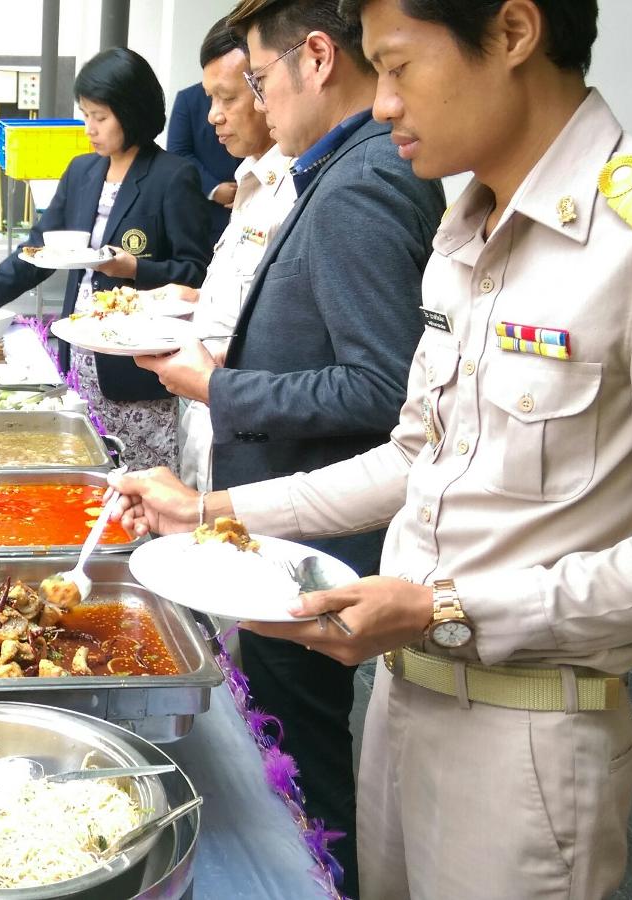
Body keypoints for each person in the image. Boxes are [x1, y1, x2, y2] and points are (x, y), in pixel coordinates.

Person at [114, 0, 632, 896]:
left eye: (398, 67)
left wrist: (444, 610)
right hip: (403, 698)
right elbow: (414, 457)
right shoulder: (464, 230)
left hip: (528, 737)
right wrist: (210, 511)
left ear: (513, 33)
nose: (383, 102)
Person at [139, 3, 444, 890]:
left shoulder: (363, 180)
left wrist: (221, 387)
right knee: (286, 730)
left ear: (316, 59)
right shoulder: (332, 169)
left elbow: (381, 387)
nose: (257, 103)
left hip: (313, 528)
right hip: (283, 506)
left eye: (259, 80)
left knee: (303, 755)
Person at [0, 48, 211, 471]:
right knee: (87, 471)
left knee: (139, 478)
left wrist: (134, 269)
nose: (89, 128)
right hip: (80, 353)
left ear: (132, 111)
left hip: (137, 366)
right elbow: (37, 252)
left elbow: (194, 272)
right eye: (86, 114)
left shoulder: (172, 175)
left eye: (100, 117)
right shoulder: (81, 171)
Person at [163, 16, 298, 491]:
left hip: (254, 433)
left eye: (228, 98)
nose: (213, 116)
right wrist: (192, 300)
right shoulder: (251, 179)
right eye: (210, 99)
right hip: (209, 423)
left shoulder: (300, 189)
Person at [167, 57, 241, 246]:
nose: (215, 116)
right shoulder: (188, 99)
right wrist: (213, 189)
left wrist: (248, 186)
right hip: (203, 209)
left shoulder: (252, 95)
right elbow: (178, 153)